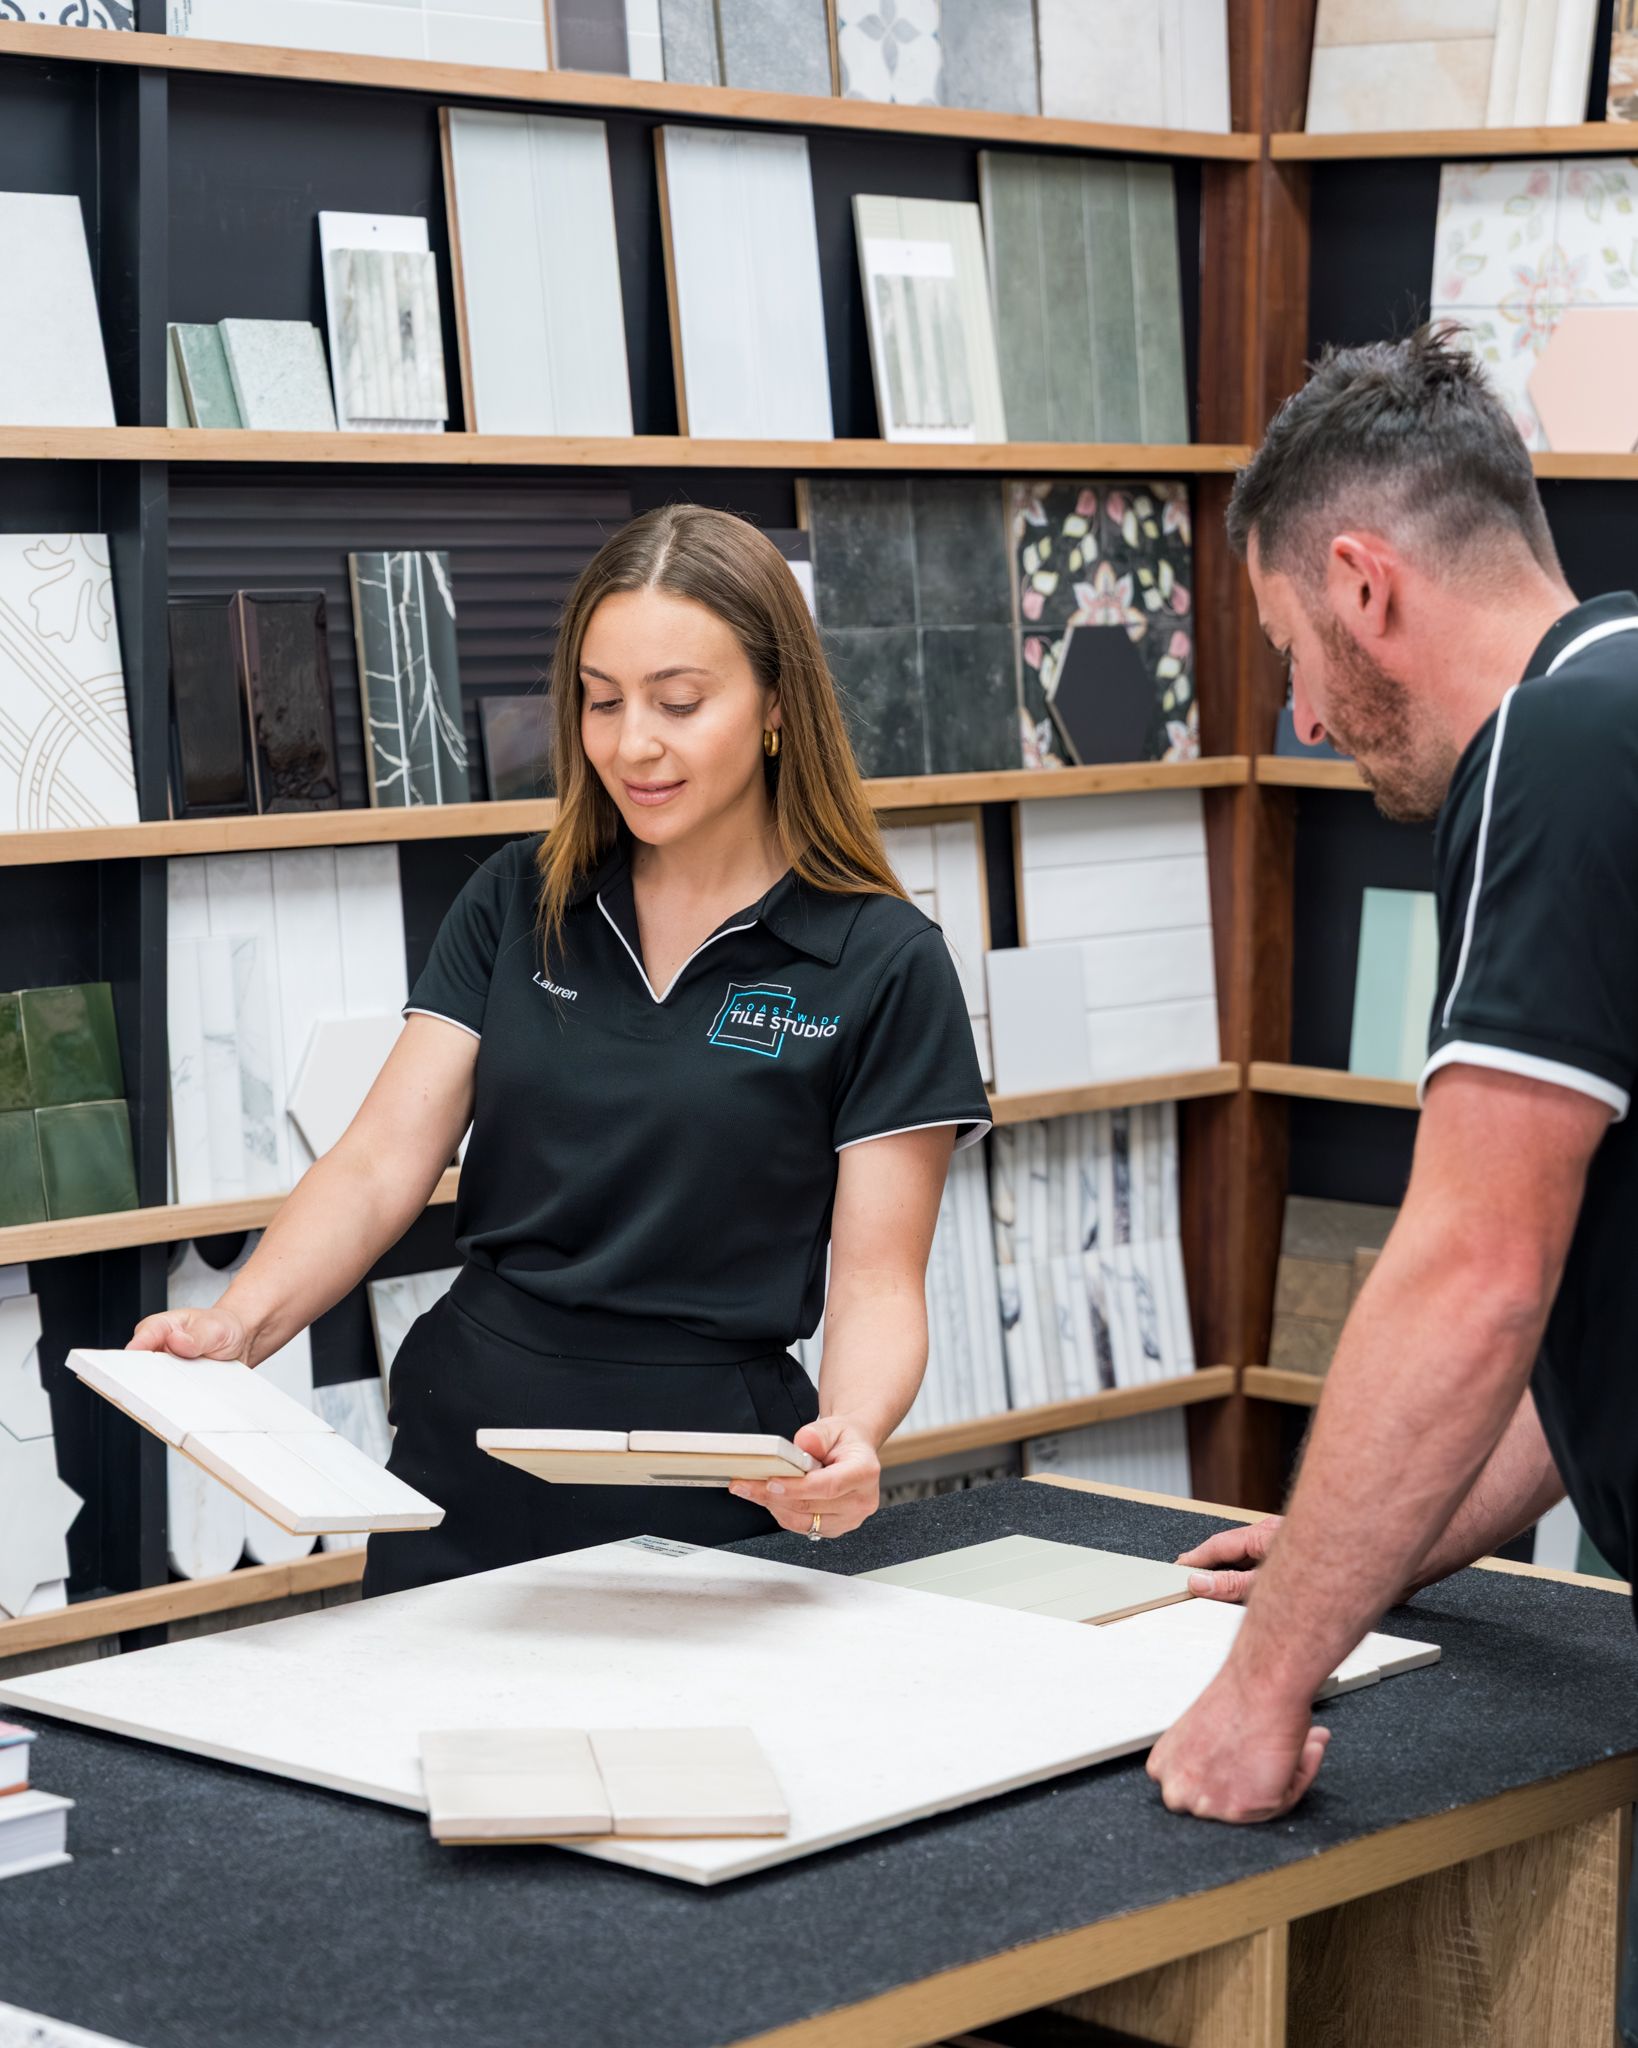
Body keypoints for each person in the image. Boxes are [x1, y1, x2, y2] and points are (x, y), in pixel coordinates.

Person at [132, 505, 990, 1595]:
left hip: (713, 1477)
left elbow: (877, 1280)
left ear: (778, 702)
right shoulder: (518, 897)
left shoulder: (883, 959)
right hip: (467, 1446)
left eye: (680, 702)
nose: (633, 744)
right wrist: (235, 1323)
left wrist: (852, 1429)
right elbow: (380, 1162)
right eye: (602, 699)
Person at [1147, 326, 1638, 1821]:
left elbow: (1475, 1274)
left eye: (1291, 650)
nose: (1302, 717)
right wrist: (1348, 1554)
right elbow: (1587, 1327)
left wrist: (1260, 1688)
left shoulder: (1551, 751)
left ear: (1364, 585)